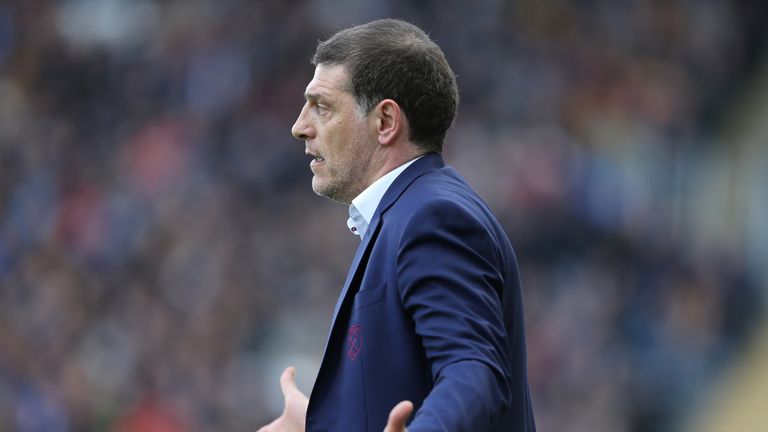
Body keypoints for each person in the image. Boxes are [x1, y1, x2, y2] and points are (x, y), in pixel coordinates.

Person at [258, 19, 535, 432]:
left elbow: (474, 371)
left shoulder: (432, 217)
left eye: (322, 106)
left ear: (385, 121)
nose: (300, 126)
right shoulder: (407, 214)